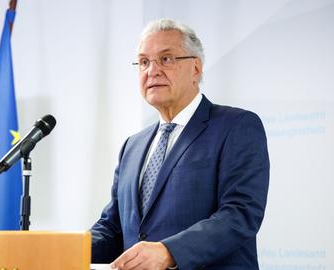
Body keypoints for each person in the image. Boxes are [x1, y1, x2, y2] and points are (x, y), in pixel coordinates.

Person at [90, 18, 270, 270]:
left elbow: (240, 214)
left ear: (196, 69)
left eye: (166, 59)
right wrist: (65, 248)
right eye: (143, 62)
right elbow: (113, 227)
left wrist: (169, 252)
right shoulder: (132, 146)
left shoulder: (237, 126)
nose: (152, 70)